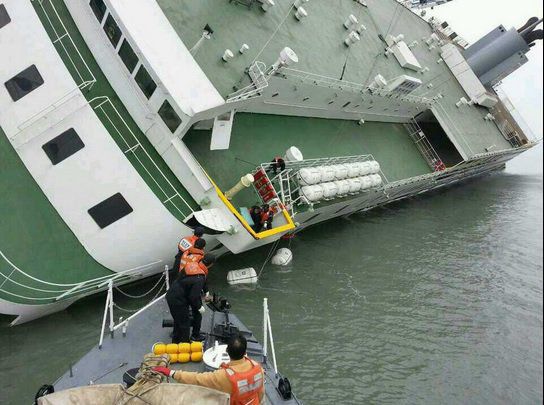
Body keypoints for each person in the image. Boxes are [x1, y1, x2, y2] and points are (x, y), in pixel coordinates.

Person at [153, 335, 265, 404]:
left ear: (227, 351)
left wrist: (171, 372)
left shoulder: (223, 376)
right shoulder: (258, 368)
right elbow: (260, 393)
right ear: (245, 352)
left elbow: (196, 379)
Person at [166, 254, 216, 343]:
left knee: (179, 320)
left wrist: (206, 291)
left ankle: (180, 338)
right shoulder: (199, 278)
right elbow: (193, 296)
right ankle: (185, 344)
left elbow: (201, 279)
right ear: (211, 264)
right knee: (184, 323)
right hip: (178, 299)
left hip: (174, 292)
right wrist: (199, 307)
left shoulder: (194, 265)